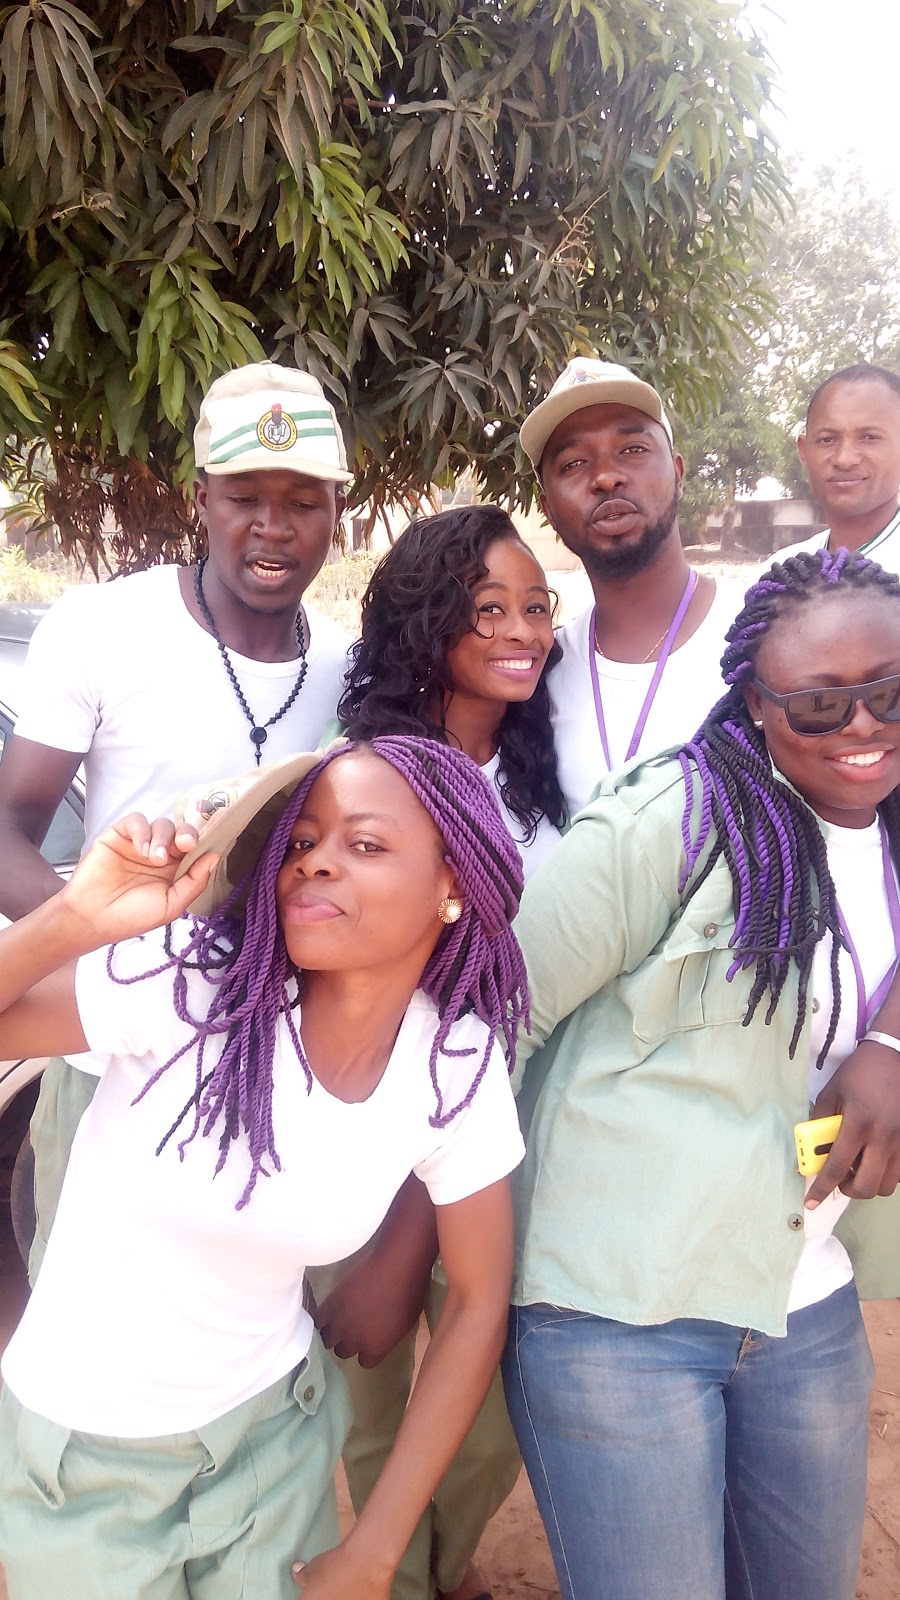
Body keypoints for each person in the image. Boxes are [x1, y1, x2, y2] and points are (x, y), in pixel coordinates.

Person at [0, 736, 527, 1600]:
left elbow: (476, 1301)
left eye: (364, 843)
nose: (314, 862)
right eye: (303, 841)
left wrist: (374, 1551)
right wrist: (77, 918)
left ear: (454, 885)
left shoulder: (453, 1062)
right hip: (81, 1459)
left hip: (272, 1445)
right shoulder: (191, 985)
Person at [504, 547, 900, 1600]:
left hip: (802, 1296)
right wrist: (444, 1255)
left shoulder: (890, 815)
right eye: (821, 705)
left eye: (891, 691)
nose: (863, 726)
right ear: (757, 704)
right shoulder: (669, 822)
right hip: (618, 1310)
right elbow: (498, 1020)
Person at [0, 360, 353, 1273]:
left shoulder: (349, 671)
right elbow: (8, 826)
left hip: (279, 1064)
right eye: (244, 497)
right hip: (105, 1051)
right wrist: (112, 935)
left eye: (303, 502)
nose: (273, 526)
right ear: (201, 499)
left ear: (338, 510)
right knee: (85, 1328)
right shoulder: (104, 627)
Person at [312, 505, 566, 1600]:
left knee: (493, 1411)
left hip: (494, 1141)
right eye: (487, 608)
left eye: (536, 607)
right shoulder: (366, 776)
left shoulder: (542, 778)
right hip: (364, 1137)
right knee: (368, 1406)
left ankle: (433, 1565)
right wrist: (392, 1240)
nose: (521, 631)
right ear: (428, 622)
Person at [518, 356, 742, 817]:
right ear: (547, 508)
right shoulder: (538, 673)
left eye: (633, 449)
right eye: (573, 463)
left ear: (678, 472)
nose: (606, 477)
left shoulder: (763, 636)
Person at [775, 363, 900, 568]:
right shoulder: (783, 571)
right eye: (827, 439)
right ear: (804, 452)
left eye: (869, 437)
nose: (844, 459)